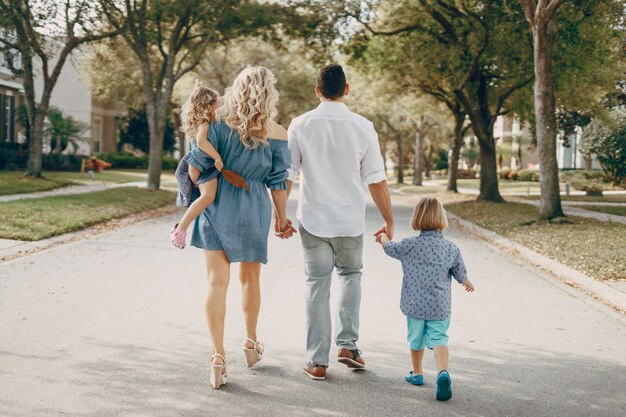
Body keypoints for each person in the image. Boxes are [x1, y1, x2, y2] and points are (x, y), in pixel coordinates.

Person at [286, 64, 394, 381]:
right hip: (349, 221)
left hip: (314, 220)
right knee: (350, 277)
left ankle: (317, 361)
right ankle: (348, 346)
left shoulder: (300, 125)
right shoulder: (363, 127)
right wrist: (388, 220)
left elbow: (287, 176)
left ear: (318, 91)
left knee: (316, 287)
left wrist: (280, 215)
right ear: (346, 89)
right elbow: (376, 179)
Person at [191, 67, 296, 389]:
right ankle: (250, 342)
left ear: (236, 89)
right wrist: (282, 218)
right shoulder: (278, 133)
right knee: (250, 279)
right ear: (270, 93)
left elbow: (195, 171)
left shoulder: (216, 125)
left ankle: (218, 357)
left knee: (215, 282)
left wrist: (217, 177)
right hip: (254, 206)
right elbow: (279, 184)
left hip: (217, 204)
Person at [376, 197, 474, 401]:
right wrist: (466, 282)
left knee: (416, 338)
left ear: (417, 218)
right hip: (439, 305)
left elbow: (389, 248)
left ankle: (418, 373)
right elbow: (460, 273)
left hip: (415, 304)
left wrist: (383, 236)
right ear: (442, 218)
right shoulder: (450, 248)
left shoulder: (410, 245)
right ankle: (442, 372)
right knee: (439, 338)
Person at [171, 81, 224, 249]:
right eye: (216, 105)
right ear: (208, 105)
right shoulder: (204, 123)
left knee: (205, 199)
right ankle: (180, 229)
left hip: (198, 165)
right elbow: (201, 142)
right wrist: (217, 158)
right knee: (207, 197)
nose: (218, 109)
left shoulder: (207, 121)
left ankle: (184, 228)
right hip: (202, 165)